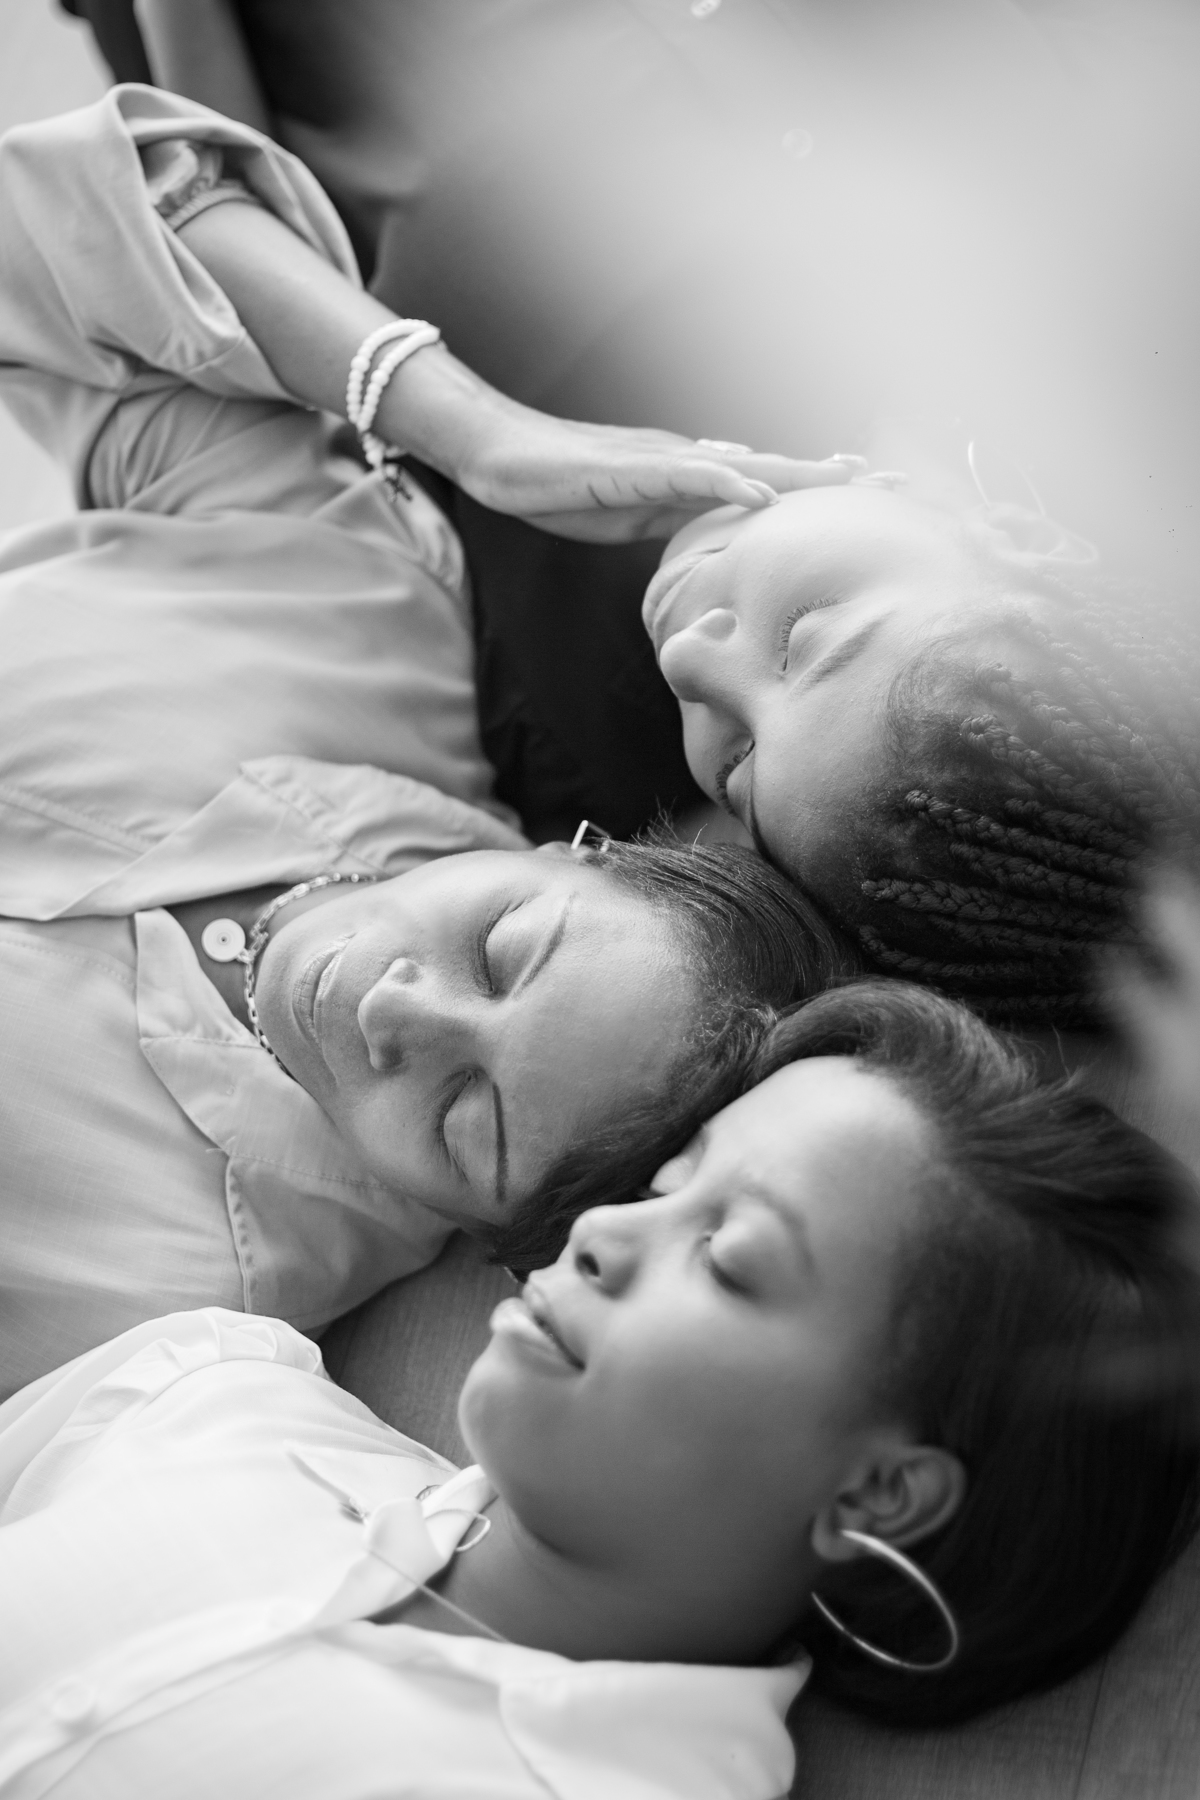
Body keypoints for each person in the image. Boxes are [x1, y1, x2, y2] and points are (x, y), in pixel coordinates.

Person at [0, 91, 853, 1398]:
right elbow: (79, 219)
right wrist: (472, 428)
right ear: (582, 856)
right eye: (504, 950)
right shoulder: (364, 620)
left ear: (497, 1243)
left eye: (466, 1119)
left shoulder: (165, 1319)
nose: (400, 1011)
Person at [61, 82, 1198, 1034]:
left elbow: (112, 210)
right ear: (1025, 539)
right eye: (808, 639)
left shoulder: (536, 713)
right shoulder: (1058, 299)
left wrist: (476, 433)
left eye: (737, 762)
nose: (695, 666)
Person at [0, 982, 1194, 1798]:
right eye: (666, 1186)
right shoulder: (209, 1390)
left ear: (877, 1494)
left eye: (727, 1258)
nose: (605, 1234)